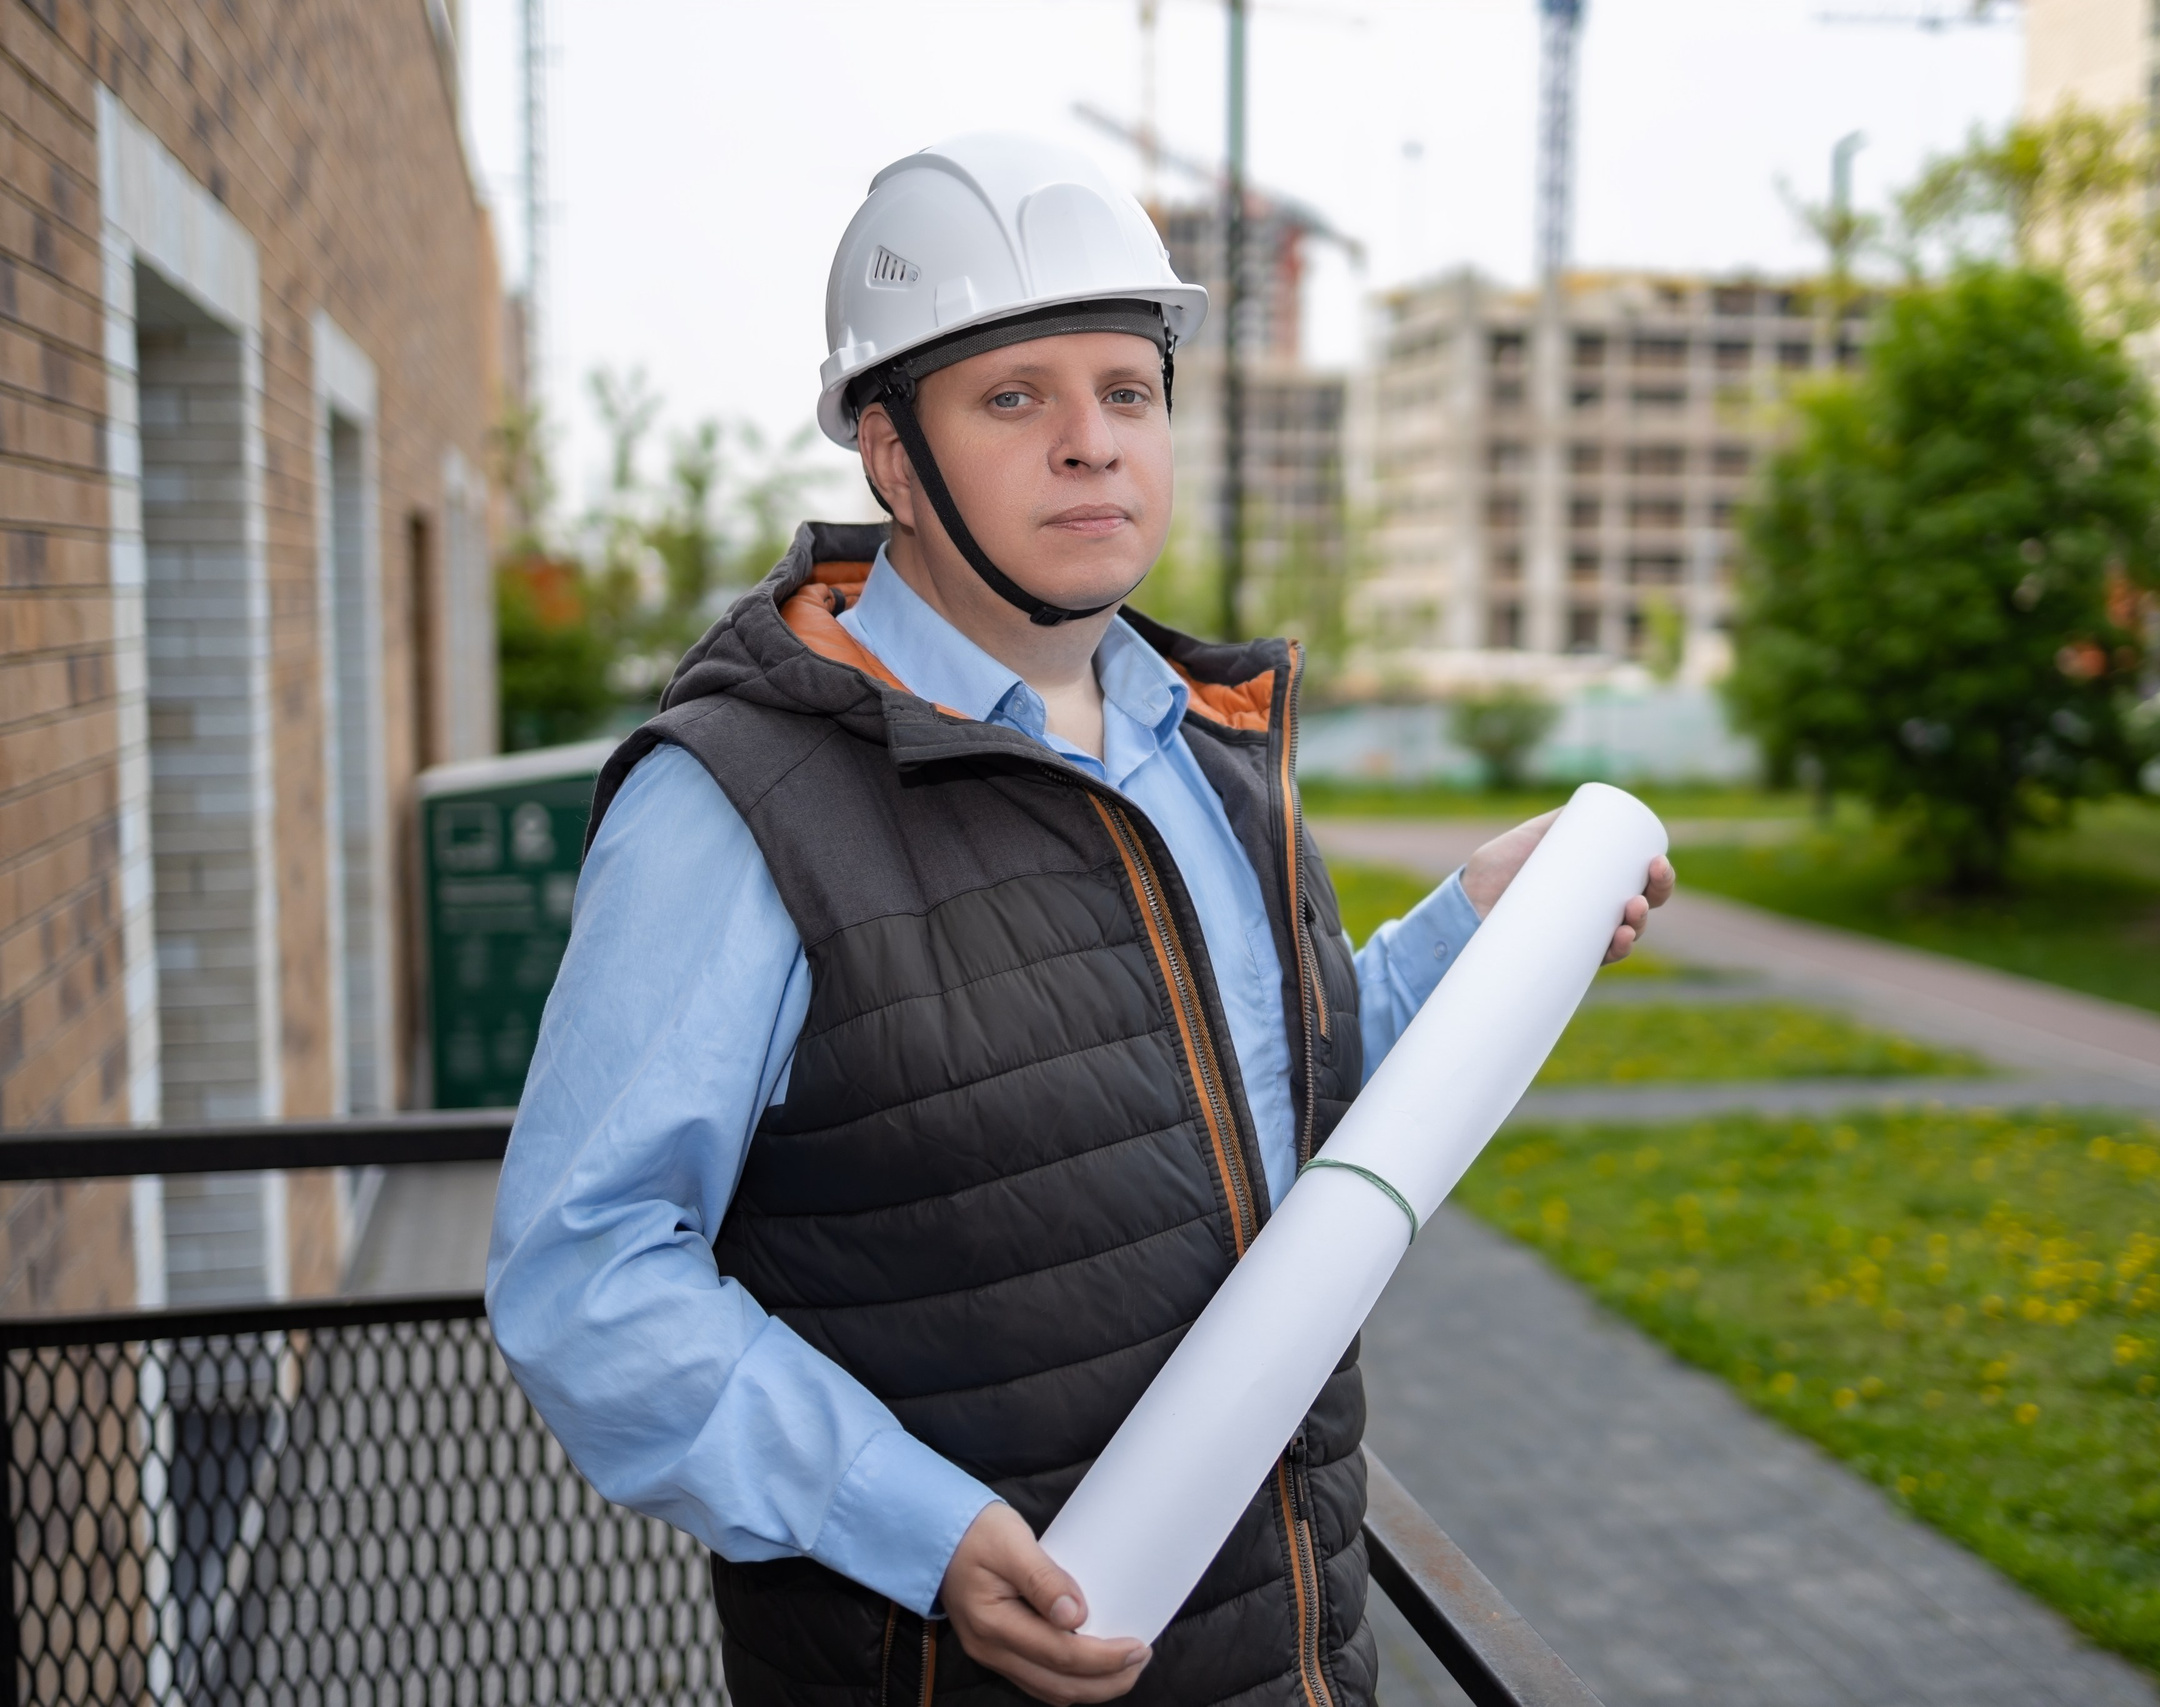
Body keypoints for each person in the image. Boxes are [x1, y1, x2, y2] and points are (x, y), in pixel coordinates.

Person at [486, 132, 1673, 1707]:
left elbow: (1269, 1113)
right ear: (892, 458)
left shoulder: (1210, 746)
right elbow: (586, 1271)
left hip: (1288, 1659)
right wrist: (924, 1530)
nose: (1090, 444)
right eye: (1012, 398)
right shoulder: (737, 803)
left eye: (1126, 390)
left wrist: (1476, 927)